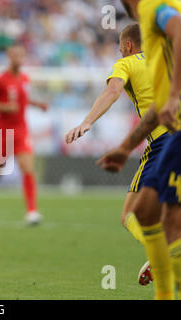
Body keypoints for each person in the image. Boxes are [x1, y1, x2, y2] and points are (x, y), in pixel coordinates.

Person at [65, 23, 168, 285]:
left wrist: (87, 122)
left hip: (164, 141)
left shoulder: (127, 63)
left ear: (128, 46)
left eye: (120, 47)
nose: (120, 51)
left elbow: (112, 90)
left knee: (130, 215)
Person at [98, 0, 181, 300]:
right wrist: (125, 146)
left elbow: (113, 91)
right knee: (151, 215)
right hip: (168, 133)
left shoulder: (152, 9)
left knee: (143, 216)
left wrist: (173, 96)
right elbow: (158, 105)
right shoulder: (158, 45)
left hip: (170, 138)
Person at [0, 44, 48, 225]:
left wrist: (37, 104)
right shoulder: (0, 79)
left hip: (21, 131)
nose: (18, 58)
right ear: (9, 56)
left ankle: (32, 211)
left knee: (28, 168)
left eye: (21, 55)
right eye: (14, 55)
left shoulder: (24, 78)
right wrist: (4, 107)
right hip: (2, 133)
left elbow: (23, 99)